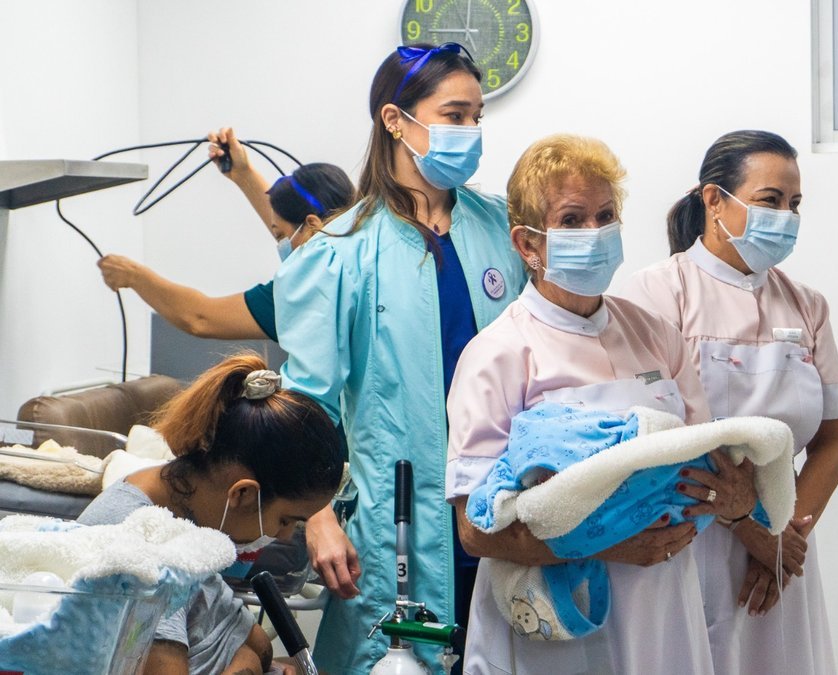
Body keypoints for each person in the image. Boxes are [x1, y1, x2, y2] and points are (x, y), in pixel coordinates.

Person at [445, 134, 758, 674]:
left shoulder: (656, 335)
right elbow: (474, 530)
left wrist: (737, 499)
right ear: (527, 244)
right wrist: (607, 541)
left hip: (665, 612)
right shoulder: (496, 354)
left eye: (605, 216)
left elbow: (717, 464)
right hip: (560, 621)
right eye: (571, 220)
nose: (594, 233)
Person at [273, 43, 526, 673]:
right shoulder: (338, 252)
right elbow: (305, 407)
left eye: (477, 118)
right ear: (395, 120)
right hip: (397, 523)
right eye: (455, 114)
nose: (470, 132)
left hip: (502, 508)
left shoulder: (503, 231)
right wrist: (317, 516)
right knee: (401, 661)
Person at [622, 130, 838, 674]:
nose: (786, 216)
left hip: (781, 552)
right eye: (770, 201)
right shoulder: (660, 293)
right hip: (687, 536)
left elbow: (832, 441)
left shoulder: (807, 306)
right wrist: (745, 527)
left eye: (794, 204)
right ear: (713, 200)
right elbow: (657, 436)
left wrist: (782, 536)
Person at [77, 353, 343, 675]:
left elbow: (257, 644)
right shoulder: (136, 542)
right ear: (243, 493)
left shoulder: (187, 527)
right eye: (287, 519)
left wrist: (248, 662)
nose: (285, 535)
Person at [97, 138, 355, 342]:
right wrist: (244, 174)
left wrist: (133, 275)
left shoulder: (306, 291)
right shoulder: (364, 257)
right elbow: (292, 222)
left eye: (280, 236)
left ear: (312, 226)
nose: (283, 246)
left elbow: (199, 318)